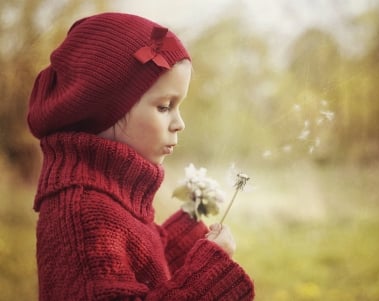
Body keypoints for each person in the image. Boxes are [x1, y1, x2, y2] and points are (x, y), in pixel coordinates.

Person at [27, 12, 255, 300]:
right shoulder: (82, 214)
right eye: (164, 106)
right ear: (106, 110)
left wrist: (184, 244)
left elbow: (142, 278)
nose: (179, 123)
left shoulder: (110, 196)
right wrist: (206, 277)